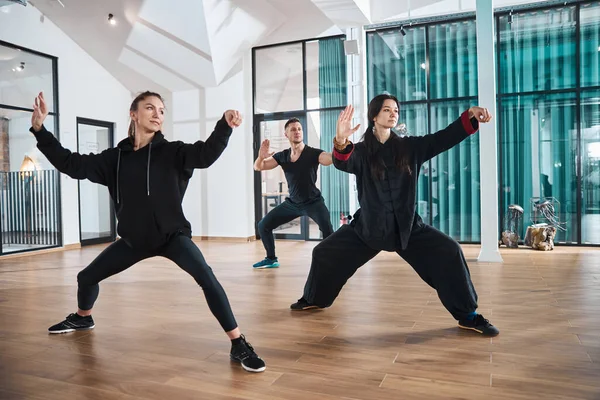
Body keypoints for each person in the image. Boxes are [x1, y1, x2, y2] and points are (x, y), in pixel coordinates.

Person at [30, 91, 266, 372]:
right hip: (134, 241)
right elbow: (72, 164)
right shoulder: (114, 159)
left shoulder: (174, 152)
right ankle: (83, 317)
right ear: (134, 114)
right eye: (150, 108)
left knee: (206, 277)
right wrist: (39, 130)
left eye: (162, 111)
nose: (158, 114)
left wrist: (224, 126)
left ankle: (238, 343)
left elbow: (205, 154)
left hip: (172, 237)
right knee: (86, 277)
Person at [290, 94, 500, 337]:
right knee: (323, 252)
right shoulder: (360, 151)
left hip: (408, 228)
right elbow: (342, 162)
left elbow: (443, 138)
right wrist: (340, 139)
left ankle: (468, 316)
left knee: (450, 251)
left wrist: (470, 117)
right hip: (369, 228)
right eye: (387, 110)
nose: (393, 114)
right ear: (374, 116)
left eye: (396, 110)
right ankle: (315, 298)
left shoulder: (411, 148)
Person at [252, 117, 335, 269]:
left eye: (299, 129)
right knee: (263, 225)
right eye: (293, 129)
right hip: (293, 204)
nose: (297, 131)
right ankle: (271, 259)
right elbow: (259, 167)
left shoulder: (313, 153)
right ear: (286, 134)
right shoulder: (282, 156)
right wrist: (261, 156)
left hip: (313, 202)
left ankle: (333, 261)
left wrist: (340, 148)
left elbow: (328, 159)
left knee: (328, 232)